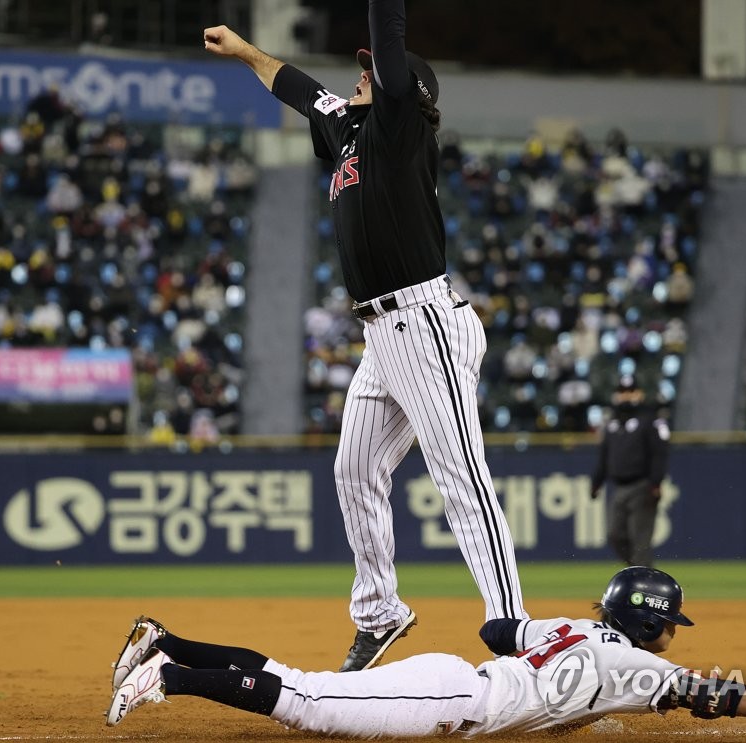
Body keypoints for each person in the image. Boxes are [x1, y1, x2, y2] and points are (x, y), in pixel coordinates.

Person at [202, 0, 528, 673]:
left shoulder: (401, 126)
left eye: (373, 72)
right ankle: (380, 612)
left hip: (426, 320)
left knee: (460, 473)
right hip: (384, 332)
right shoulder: (350, 133)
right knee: (354, 470)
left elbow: (389, 32)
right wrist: (243, 51)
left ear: (407, 91)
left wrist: (388, 38)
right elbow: (298, 88)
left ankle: (511, 621)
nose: (360, 77)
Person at [106, 567, 746, 735]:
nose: (677, 633)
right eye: (673, 622)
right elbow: (719, 697)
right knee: (306, 704)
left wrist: (574, 698)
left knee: (301, 681)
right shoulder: (642, 666)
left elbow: (497, 632)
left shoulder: (575, 628)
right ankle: (168, 673)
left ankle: (166, 638)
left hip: (458, 675)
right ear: (650, 624)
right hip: (455, 701)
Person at [590, 375, 670, 566]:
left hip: (642, 486)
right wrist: (596, 482)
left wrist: (656, 482)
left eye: (630, 391)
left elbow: (659, 454)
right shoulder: (611, 424)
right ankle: (638, 572)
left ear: (639, 394)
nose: (626, 396)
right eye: (622, 392)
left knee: (640, 540)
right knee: (615, 535)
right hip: (619, 488)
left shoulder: (650, 421)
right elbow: (604, 457)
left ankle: (644, 582)